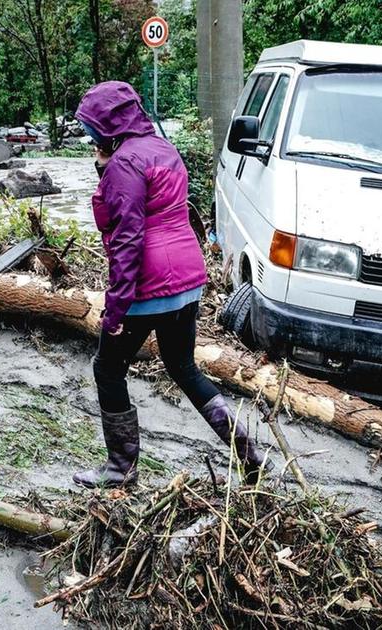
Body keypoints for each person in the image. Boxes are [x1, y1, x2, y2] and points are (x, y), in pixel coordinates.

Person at [70, 81, 271, 488]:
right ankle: (250, 454)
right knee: (182, 366)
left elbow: (127, 239)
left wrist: (116, 308)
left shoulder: (125, 164)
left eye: (92, 131)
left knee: (108, 368)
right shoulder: (163, 149)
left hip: (149, 283)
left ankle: (119, 468)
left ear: (108, 127)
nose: (90, 139)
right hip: (187, 278)